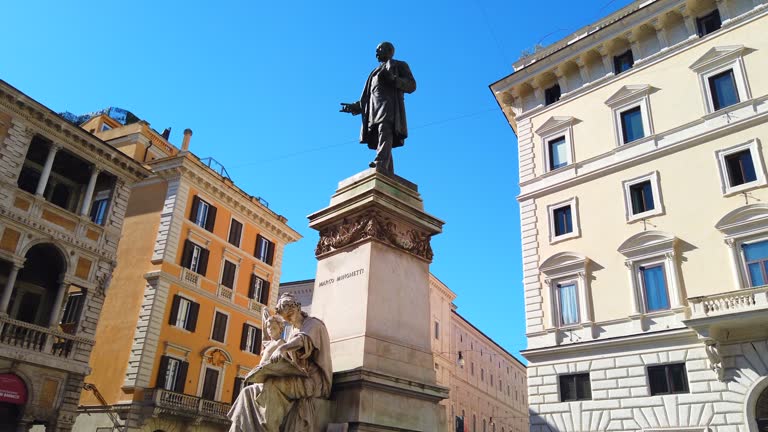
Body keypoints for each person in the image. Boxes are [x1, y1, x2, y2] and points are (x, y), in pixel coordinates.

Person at [228, 294, 332, 432]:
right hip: (297, 376)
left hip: (313, 381)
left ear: (298, 308)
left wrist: (283, 348)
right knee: (248, 391)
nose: (290, 319)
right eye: (287, 318)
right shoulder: (293, 330)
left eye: (291, 314)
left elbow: (303, 340)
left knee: (272, 385)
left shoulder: (313, 324)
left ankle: (268, 429)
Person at [340, 41, 416, 175]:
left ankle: (380, 162)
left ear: (389, 50)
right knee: (381, 139)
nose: (376, 52)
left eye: (379, 49)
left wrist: (393, 79)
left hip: (389, 107)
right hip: (373, 110)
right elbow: (367, 97)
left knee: (384, 131)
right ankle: (388, 172)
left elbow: (411, 85)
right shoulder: (374, 72)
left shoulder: (398, 65)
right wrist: (355, 107)